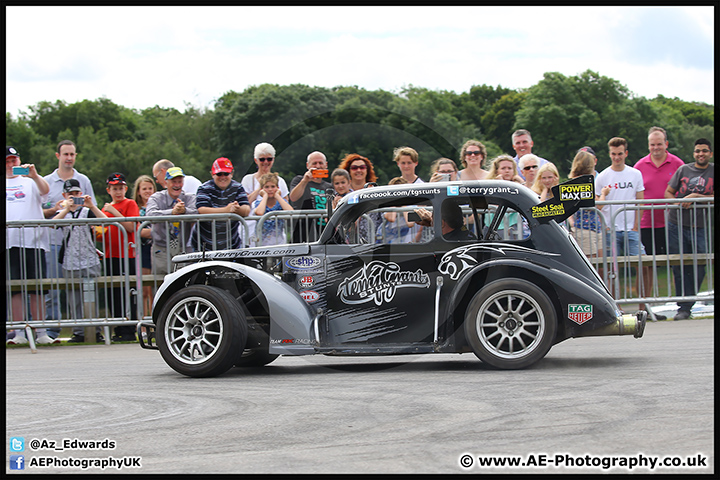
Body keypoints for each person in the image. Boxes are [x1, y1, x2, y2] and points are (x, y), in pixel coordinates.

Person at [42, 140, 96, 340]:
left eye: (72, 154)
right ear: (58, 156)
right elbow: (41, 211)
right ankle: (51, 331)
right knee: (53, 289)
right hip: (53, 242)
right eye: (65, 154)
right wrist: (58, 209)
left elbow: (92, 210)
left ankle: (87, 330)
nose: (69, 158)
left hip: (80, 246)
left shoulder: (84, 180)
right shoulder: (46, 181)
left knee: (84, 289)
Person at [596, 137, 651, 313]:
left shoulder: (635, 174)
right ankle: (616, 307)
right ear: (609, 154)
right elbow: (598, 205)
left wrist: (636, 225)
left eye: (620, 154)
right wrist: (603, 224)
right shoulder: (603, 176)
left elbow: (640, 201)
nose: (617, 157)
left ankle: (643, 306)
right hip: (610, 229)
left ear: (625, 153)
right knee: (611, 269)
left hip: (630, 229)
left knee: (643, 264)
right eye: (613, 154)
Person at [6, 146, 53, 345]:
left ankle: (41, 331)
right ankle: (19, 333)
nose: (11, 164)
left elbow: (46, 192)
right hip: (10, 243)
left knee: (37, 289)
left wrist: (34, 176)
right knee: (15, 289)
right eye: (7, 161)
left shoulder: (30, 181)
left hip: (33, 241)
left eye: (14, 160)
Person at [664, 138, 714, 321]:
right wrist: (678, 203)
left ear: (710, 153)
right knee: (679, 265)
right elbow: (668, 192)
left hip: (699, 226)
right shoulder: (683, 170)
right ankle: (683, 307)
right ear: (694, 153)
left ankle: (688, 302)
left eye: (704, 151)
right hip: (676, 223)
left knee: (701, 264)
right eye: (698, 151)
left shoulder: (713, 171)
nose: (701, 154)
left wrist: (695, 196)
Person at [53, 179, 107, 342]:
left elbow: (106, 221)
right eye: (71, 194)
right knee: (74, 298)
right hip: (70, 261)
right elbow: (53, 223)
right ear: (64, 195)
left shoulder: (86, 211)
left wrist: (91, 206)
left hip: (89, 259)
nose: (74, 197)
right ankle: (78, 332)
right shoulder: (63, 213)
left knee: (92, 298)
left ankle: (95, 331)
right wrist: (66, 208)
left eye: (77, 194)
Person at [633, 126, 684, 257]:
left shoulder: (678, 164)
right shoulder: (639, 166)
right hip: (646, 223)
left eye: (659, 144)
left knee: (675, 260)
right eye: (652, 144)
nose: (656, 147)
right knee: (648, 263)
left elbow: (685, 189)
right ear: (648, 145)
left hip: (672, 222)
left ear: (666, 144)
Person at [101, 172, 140, 342]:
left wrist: (114, 211)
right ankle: (118, 327)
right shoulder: (105, 209)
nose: (118, 192)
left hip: (128, 254)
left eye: (121, 188)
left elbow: (131, 226)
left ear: (125, 188)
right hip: (111, 255)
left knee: (129, 292)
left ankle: (129, 329)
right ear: (108, 190)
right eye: (114, 188)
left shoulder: (129, 203)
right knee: (114, 292)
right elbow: (101, 231)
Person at [146, 167, 198, 275]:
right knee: (160, 283)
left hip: (183, 249)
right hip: (161, 249)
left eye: (180, 182)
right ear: (166, 182)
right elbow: (150, 215)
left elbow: (197, 213)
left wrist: (184, 211)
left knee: (184, 282)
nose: (177, 185)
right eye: (174, 182)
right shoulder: (156, 197)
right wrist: (172, 212)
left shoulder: (189, 198)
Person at [196, 157, 250, 250]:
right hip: (205, 244)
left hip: (232, 244)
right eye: (219, 174)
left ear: (232, 174)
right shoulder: (204, 188)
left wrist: (237, 209)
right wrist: (226, 210)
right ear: (212, 174)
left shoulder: (238, 187)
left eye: (226, 173)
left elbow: (246, 210)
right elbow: (202, 209)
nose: (223, 177)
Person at [290, 151, 333, 242]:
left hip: (324, 234)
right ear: (307, 165)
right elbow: (293, 197)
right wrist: (305, 181)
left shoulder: (329, 186)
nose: (317, 166)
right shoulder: (299, 180)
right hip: (303, 234)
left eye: (320, 163)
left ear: (326, 165)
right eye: (314, 163)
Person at [567, 151, 604, 257]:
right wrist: (604, 194)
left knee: (600, 263)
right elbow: (599, 205)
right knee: (592, 263)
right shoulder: (583, 184)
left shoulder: (573, 183)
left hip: (591, 228)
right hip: (586, 229)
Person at [132, 174, 157, 317]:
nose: (148, 191)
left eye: (150, 188)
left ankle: (155, 320)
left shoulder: (158, 204)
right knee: (145, 289)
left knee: (156, 287)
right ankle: (144, 322)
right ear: (138, 191)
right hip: (142, 249)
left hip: (158, 249)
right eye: (144, 188)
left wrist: (151, 232)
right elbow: (138, 230)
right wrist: (155, 232)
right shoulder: (135, 207)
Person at [251, 172, 294, 246]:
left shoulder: (281, 202)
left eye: (273, 186)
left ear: (277, 188)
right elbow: (259, 212)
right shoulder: (258, 203)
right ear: (262, 189)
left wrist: (277, 196)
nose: (270, 189)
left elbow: (291, 212)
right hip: (261, 244)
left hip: (278, 243)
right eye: (266, 187)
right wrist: (264, 196)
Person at [378, 177, 414, 243]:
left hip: (400, 241)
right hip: (384, 240)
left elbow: (410, 223)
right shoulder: (387, 205)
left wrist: (404, 203)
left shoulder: (409, 206)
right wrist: (394, 201)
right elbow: (391, 218)